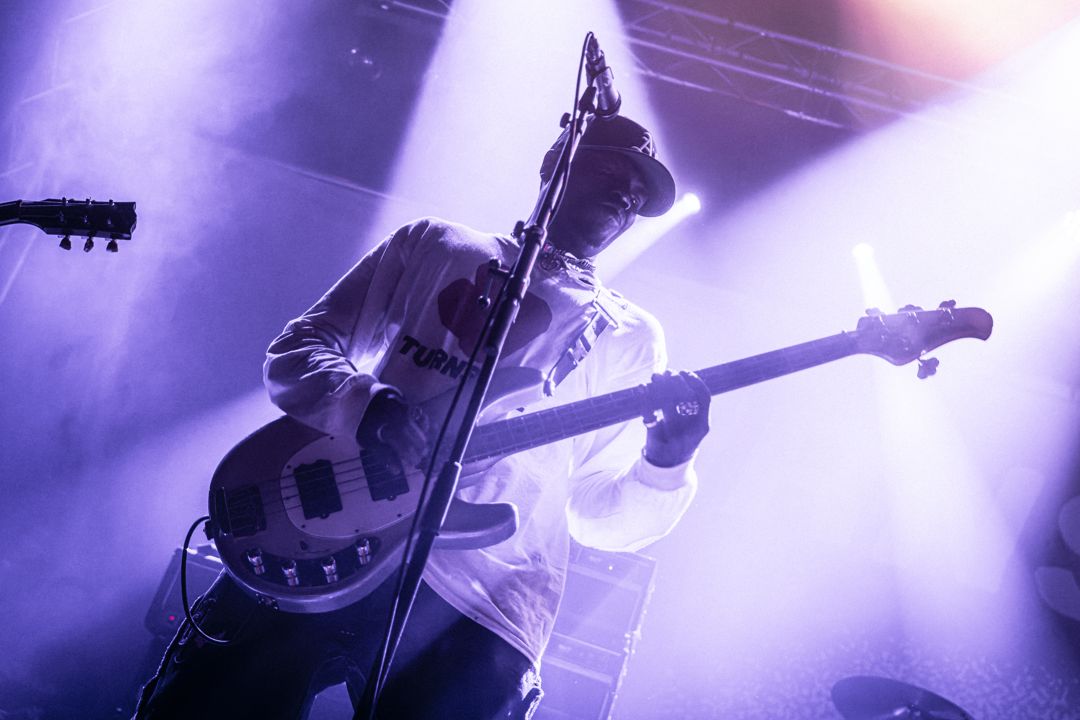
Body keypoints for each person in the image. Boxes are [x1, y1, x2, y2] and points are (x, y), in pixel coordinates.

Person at [133, 114, 711, 720]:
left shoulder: (630, 336)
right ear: (555, 163)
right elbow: (298, 350)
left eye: (639, 195)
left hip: (483, 597)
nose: (626, 195)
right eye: (609, 170)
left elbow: (595, 516)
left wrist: (666, 465)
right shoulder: (438, 244)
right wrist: (369, 406)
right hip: (322, 532)